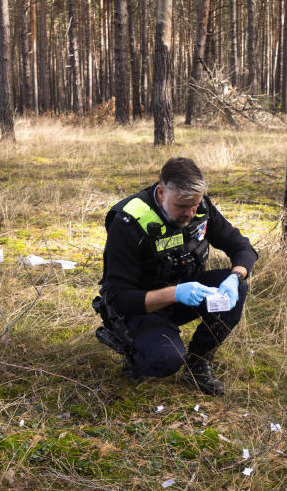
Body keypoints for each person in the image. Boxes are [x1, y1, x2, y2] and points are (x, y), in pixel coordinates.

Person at [95, 157, 258, 395]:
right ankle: (131, 349)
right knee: (166, 359)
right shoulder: (129, 221)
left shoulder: (200, 208)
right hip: (141, 307)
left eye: (195, 205)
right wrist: (175, 293)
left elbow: (242, 247)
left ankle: (199, 363)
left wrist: (235, 277)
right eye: (182, 206)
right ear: (161, 193)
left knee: (240, 288)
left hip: (184, 295)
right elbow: (117, 297)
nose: (190, 213)